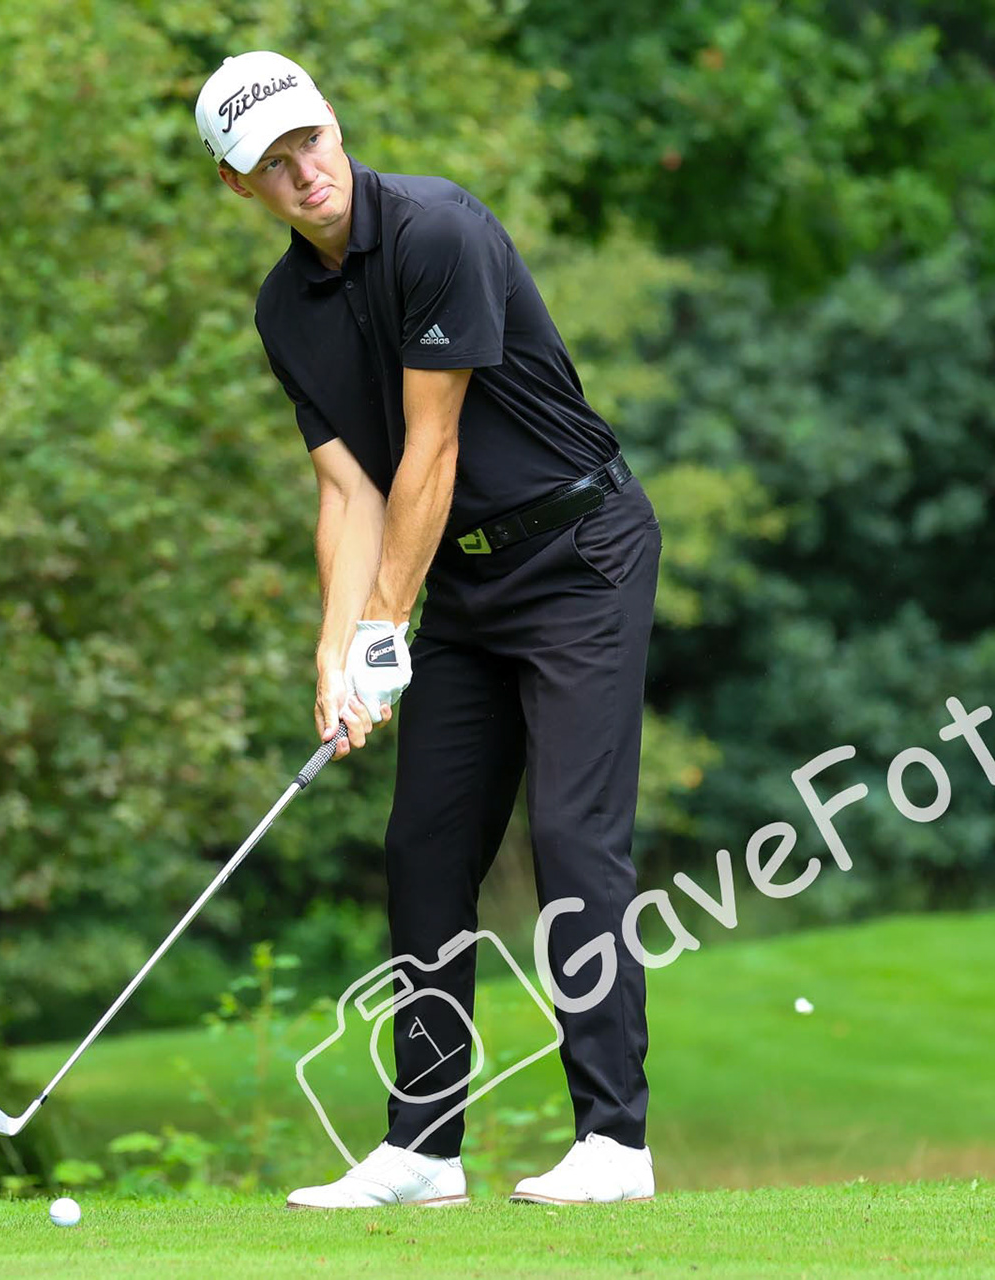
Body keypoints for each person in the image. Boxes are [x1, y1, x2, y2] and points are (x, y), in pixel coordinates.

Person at [196, 50, 662, 1208]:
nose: (306, 171)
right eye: (272, 161)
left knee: (570, 832)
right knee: (424, 846)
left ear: (334, 123)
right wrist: (334, 642)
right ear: (235, 184)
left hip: (579, 554)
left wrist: (383, 627)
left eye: (311, 139)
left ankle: (616, 1140)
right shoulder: (281, 309)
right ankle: (424, 1147)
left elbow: (434, 448)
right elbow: (350, 489)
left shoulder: (436, 229)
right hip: (460, 585)